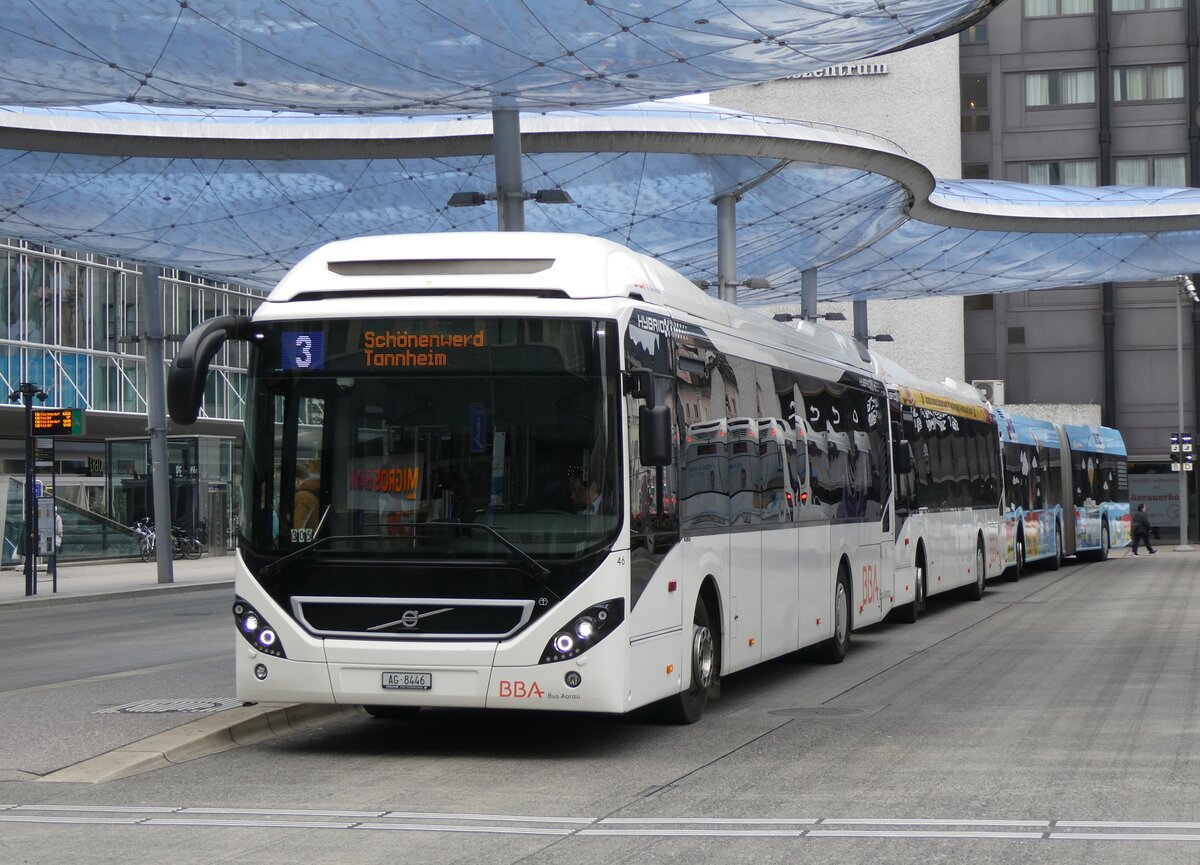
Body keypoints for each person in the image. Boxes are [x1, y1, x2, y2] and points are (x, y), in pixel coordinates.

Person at [294, 458, 322, 530]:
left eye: (309, 466)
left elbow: (298, 528)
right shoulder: (319, 491)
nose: (306, 469)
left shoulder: (302, 496)